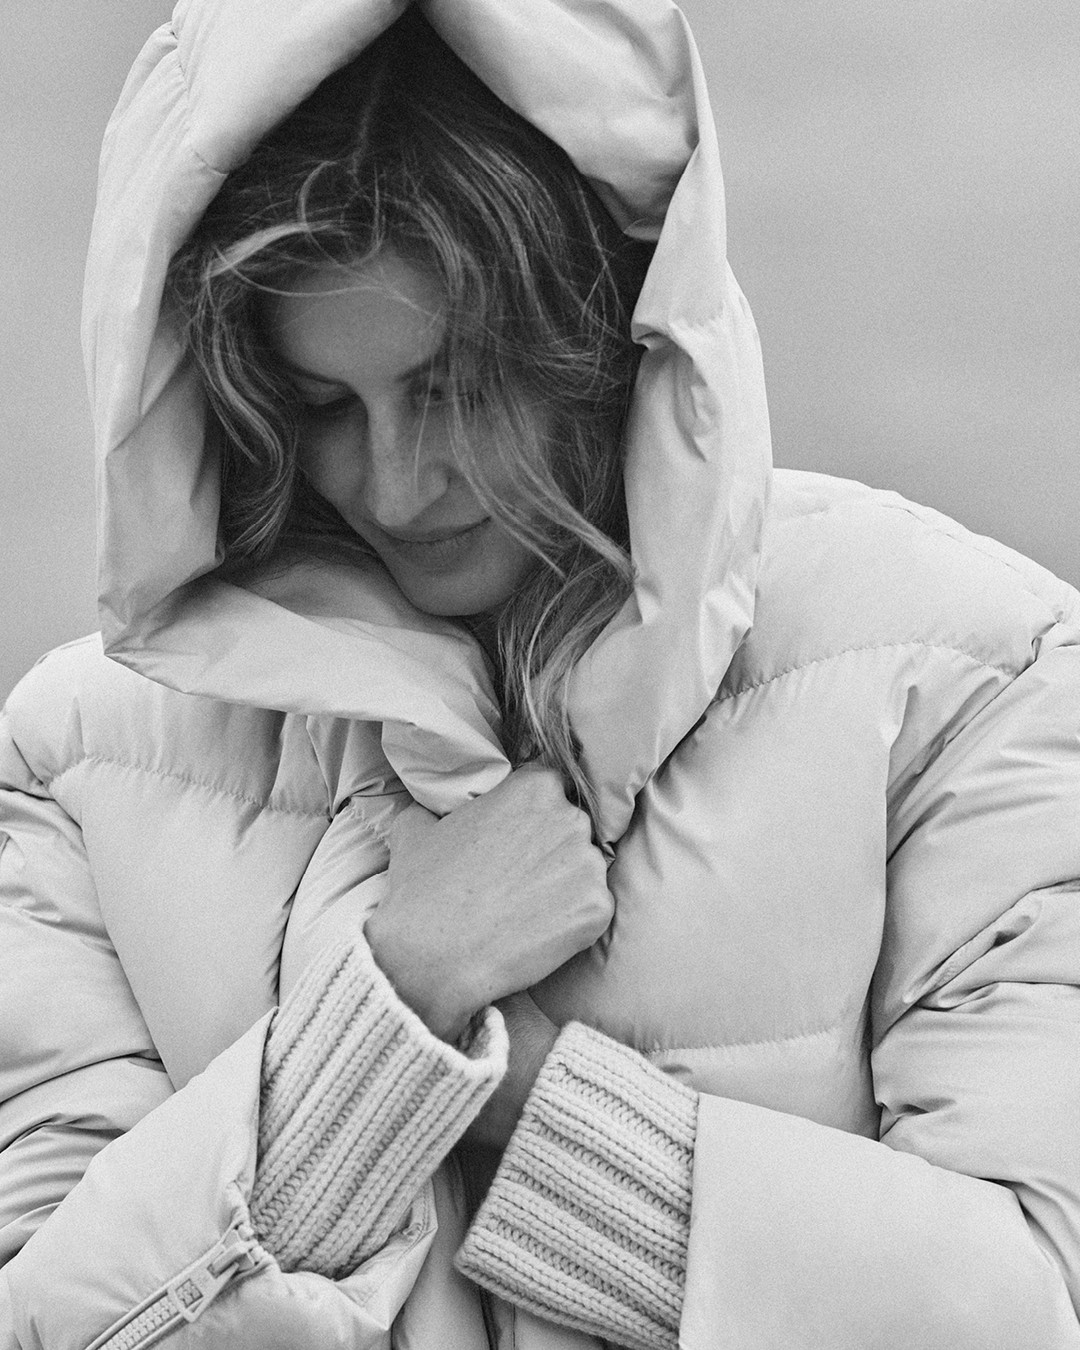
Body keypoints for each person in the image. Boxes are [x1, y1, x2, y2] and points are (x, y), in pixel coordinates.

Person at [2, 1, 1079, 1347]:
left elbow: (1027, 1308)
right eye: (322, 406)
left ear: (605, 323)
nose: (397, 483)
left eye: (456, 383)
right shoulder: (78, 759)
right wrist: (394, 1004)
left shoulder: (961, 678)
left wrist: (527, 1108)